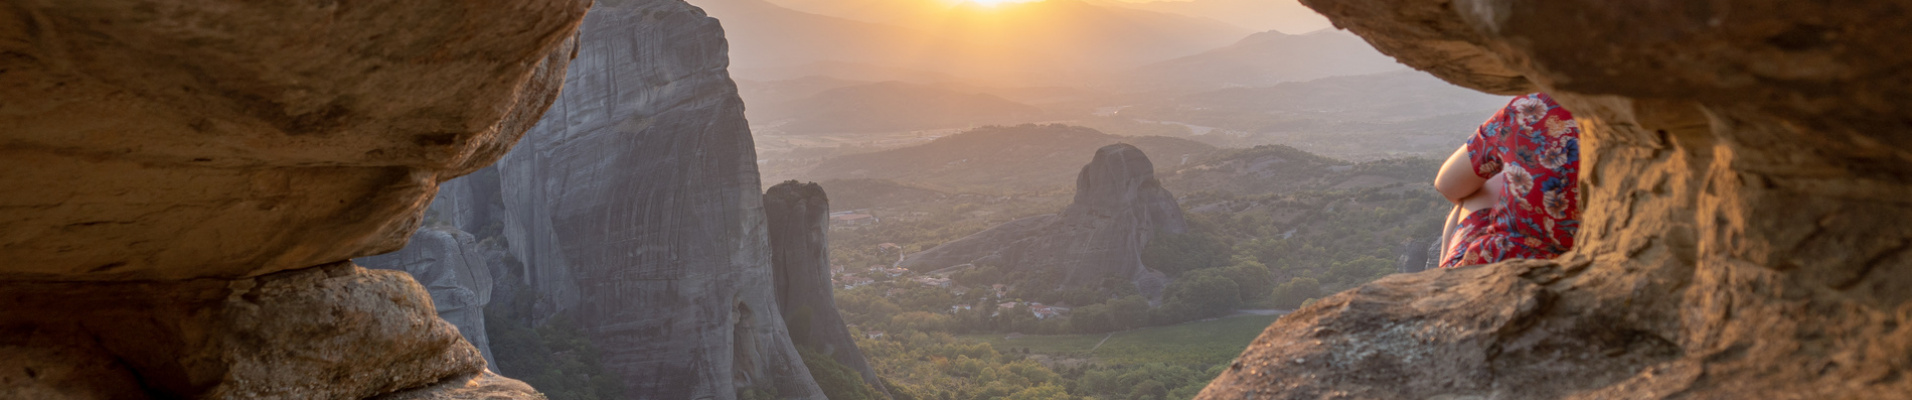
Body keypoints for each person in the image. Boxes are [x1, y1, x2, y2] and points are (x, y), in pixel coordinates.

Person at [1435, 93, 1582, 268]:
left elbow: (1448, 185)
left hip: (1501, 263)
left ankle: (1445, 275)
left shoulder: (1533, 107)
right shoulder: (1620, 117)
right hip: (1589, 265)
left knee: (1488, 184)